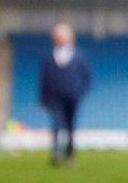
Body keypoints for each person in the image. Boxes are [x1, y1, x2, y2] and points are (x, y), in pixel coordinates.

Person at [39, 23, 93, 166]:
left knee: (70, 126)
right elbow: (44, 79)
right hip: (55, 97)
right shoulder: (49, 57)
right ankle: (56, 152)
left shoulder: (79, 56)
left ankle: (70, 153)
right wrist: (43, 100)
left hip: (72, 97)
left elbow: (87, 78)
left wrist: (79, 92)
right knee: (56, 124)